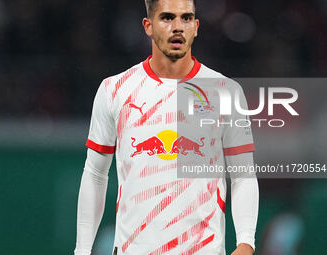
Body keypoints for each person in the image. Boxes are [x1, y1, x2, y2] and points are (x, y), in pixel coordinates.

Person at [74, 0, 259, 254]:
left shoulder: (226, 92)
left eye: (186, 18)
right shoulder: (114, 90)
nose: (177, 27)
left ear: (196, 26)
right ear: (148, 26)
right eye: (167, 17)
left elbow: (243, 175)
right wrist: (81, 250)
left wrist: (246, 242)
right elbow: (95, 174)